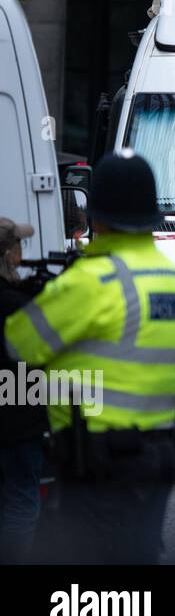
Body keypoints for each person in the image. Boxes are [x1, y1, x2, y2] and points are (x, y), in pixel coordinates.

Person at [2, 152, 175, 564]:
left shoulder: (94, 281)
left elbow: (19, 344)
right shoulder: (172, 281)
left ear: (98, 217)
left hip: (98, 463)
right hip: (157, 455)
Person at [0, 217, 46, 563]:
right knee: (20, 501)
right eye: (18, 244)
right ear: (8, 254)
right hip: (17, 420)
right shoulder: (17, 305)